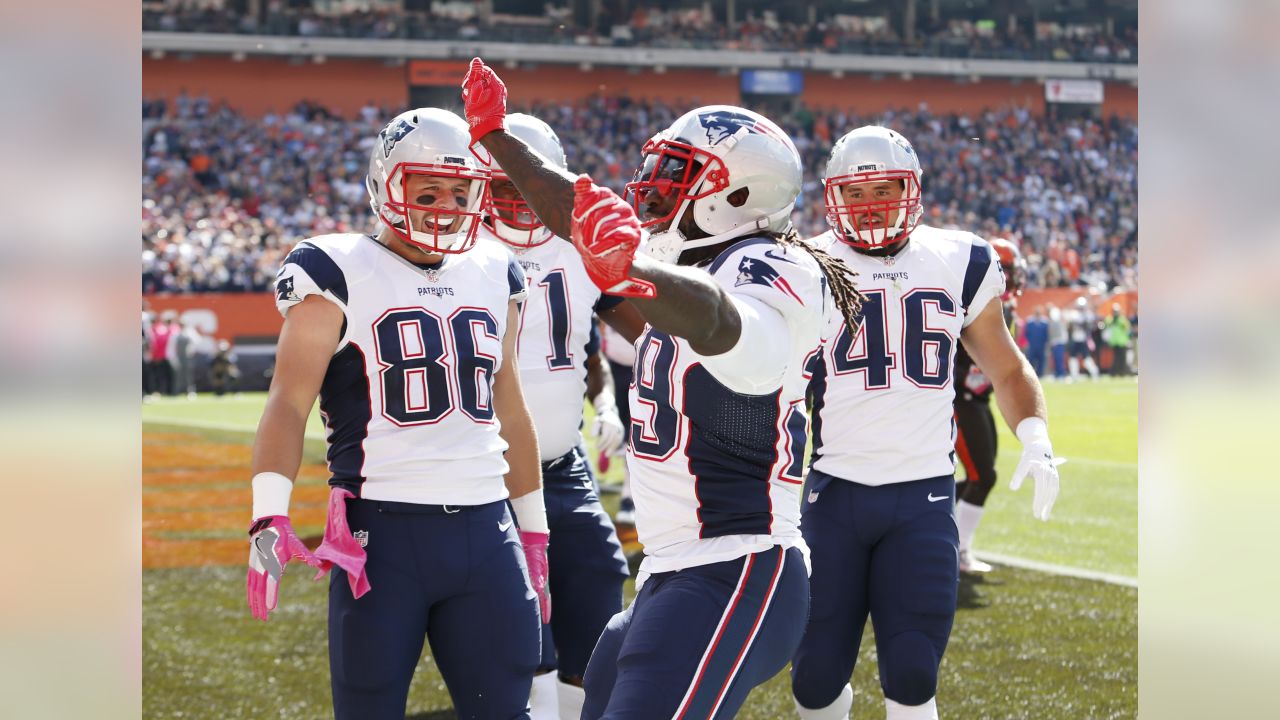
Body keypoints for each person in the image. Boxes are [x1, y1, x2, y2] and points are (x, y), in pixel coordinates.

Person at [462, 57, 865, 720]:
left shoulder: (772, 263)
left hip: (739, 566)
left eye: (675, 175)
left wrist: (635, 269)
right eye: (655, 170)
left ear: (735, 194)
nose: (650, 189)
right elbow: (578, 214)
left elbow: (726, 326)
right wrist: (496, 136)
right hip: (671, 572)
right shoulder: (684, 262)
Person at [245, 107, 548, 720]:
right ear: (386, 184)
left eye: (460, 191)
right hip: (381, 535)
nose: (444, 205)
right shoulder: (334, 267)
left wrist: (534, 527)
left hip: (488, 529)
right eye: (427, 189)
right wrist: (267, 515)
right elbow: (287, 401)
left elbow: (509, 407)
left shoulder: (495, 270)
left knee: (506, 710)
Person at [790, 126, 1065, 720]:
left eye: (884, 188)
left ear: (912, 188)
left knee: (913, 675)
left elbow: (1009, 369)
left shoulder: (959, 258)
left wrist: (1036, 437)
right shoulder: (803, 264)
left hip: (922, 496)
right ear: (833, 196)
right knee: (813, 678)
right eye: (856, 194)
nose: (871, 206)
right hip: (834, 492)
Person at [478, 111, 645, 720]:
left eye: (530, 188)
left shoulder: (581, 249)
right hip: (481, 471)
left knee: (599, 575)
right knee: (520, 611)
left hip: (561, 460)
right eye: (504, 188)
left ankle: (572, 706)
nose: (521, 204)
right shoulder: (462, 253)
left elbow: (647, 330)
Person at [952, 238, 1026, 574]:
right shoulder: (968, 302)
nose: (1009, 281)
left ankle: (947, 538)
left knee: (981, 476)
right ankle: (957, 549)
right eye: (1005, 273)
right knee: (982, 476)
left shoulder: (1004, 310)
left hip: (977, 399)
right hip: (958, 398)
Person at [1067, 296, 1100, 381]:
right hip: (1075, 339)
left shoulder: (1088, 315)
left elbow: (1090, 326)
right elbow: (1070, 326)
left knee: (1086, 358)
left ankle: (1094, 373)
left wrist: (1081, 324)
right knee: (1073, 358)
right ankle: (1074, 375)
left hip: (1083, 339)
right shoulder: (1074, 314)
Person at [1103, 302, 1132, 376]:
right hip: (1114, 342)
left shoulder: (1122, 319)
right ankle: (1113, 372)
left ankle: (1122, 372)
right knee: (1116, 358)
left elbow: (1127, 329)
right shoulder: (1109, 319)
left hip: (1122, 341)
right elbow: (1105, 326)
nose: (1115, 313)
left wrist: (1128, 339)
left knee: (1122, 358)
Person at [1023, 305, 1049, 377]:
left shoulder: (1045, 322)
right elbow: (1026, 333)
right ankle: (1031, 375)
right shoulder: (1030, 321)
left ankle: (1040, 375)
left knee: (1041, 360)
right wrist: (1028, 342)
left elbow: (1047, 334)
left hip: (1041, 345)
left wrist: (1046, 343)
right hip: (1032, 345)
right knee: (1031, 360)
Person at [1047, 303, 1068, 380]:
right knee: (1055, 359)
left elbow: (1056, 333)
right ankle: (1057, 374)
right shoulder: (1054, 322)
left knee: (1059, 359)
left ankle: (1061, 374)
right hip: (1055, 342)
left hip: (1058, 342)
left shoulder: (1057, 322)